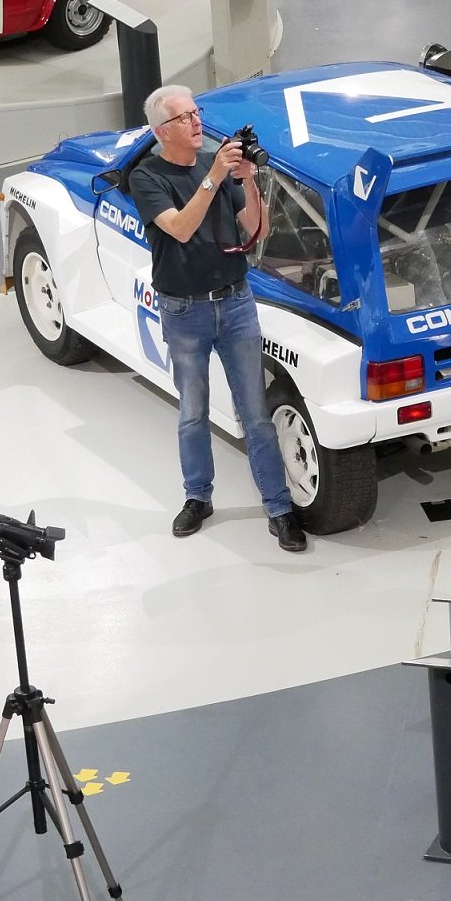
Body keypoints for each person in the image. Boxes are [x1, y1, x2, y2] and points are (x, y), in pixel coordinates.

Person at [130, 85, 306, 553]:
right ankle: (197, 496)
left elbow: (260, 230)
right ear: (161, 131)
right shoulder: (148, 178)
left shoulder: (219, 169)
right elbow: (181, 228)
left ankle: (278, 507)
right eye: (185, 117)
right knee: (193, 412)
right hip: (184, 310)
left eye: (196, 113)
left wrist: (246, 180)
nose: (196, 122)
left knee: (256, 413)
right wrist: (214, 176)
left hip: (236, 303)